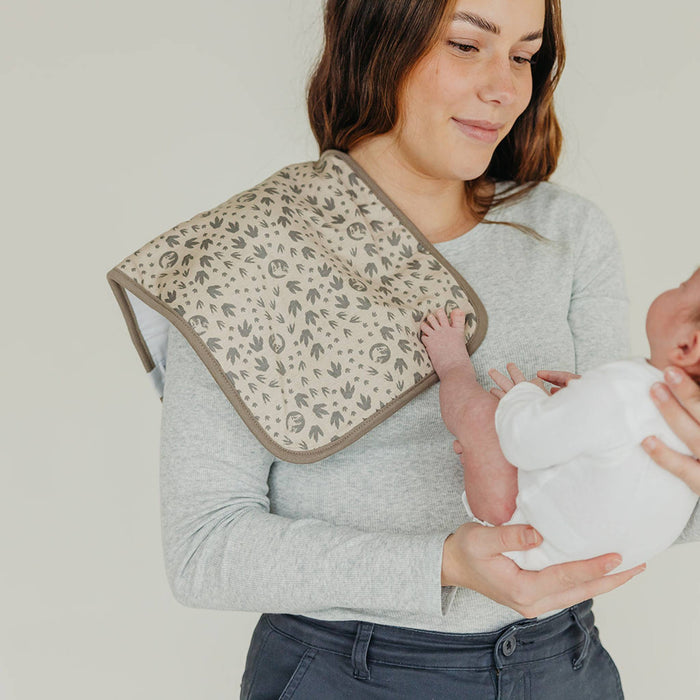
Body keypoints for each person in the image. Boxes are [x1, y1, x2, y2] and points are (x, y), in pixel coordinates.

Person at [155, 1, 700, 698]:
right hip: (350, 673)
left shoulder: (567, 233)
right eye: (467, 45)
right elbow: (204, 550)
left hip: (563, 664)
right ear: (378, 38)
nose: (504, 88)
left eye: (523, 55)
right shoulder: (248, 254)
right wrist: (443, 563)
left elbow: (618, 486)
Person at [419, 266, 700, 572]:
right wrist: (576, 402)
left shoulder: (623, 389)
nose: (674, 288)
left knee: (479, 416)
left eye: (682, 287)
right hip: (585, 567)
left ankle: (451, 363)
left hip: (520, 533)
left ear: (687, 345)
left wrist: (525, 396)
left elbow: (522, 441)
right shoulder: (691, 427)